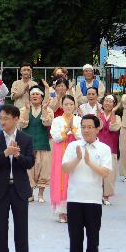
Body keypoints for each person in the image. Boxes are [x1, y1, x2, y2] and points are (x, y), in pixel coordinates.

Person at [61, 114, 113, 252]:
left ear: (98, 128)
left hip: (93, 200)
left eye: (90, 127)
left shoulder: (104, 149)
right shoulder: (73, 145)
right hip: (75, 199)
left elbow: (105, 173)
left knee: (93, 237)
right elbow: (65, 169)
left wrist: (89, 162)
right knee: (75, 237)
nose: (86, 130)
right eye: (83, 127)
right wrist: (78, 158)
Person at [0, 104, 36, 252]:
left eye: (6, 118)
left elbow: (30, 162)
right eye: (0, 118)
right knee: (0, 229)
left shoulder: (26, 138)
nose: (2, 121)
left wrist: (17, 156)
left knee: (21, 229)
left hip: (19, 189)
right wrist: (5, 153)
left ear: (16, 119)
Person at [50, 95, 81, 223]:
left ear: (74, 106)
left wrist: (73, 130)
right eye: (66, 104)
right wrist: (66, 131)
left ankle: (73, 210)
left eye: (71, 104)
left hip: (75, 151)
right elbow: (55, 136)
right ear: (62, 106)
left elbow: (81, 135)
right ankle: (62, 211)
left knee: (74, 178)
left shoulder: (79, 119)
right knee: (61, 179)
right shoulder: (57, 120)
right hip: (60, 152)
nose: (68, 107)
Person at [19, 87, 53, 203]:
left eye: (37, 94)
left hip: (43, 143)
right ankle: (30, 193)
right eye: (32, 94)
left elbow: (47, 123)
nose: (35, 96)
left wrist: (44, 109)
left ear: (42, 97)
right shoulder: (23, 109)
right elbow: (22, 125)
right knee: (29, 170)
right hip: (28, 145)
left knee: (43, 169)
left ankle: (41, 194)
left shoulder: (48, 109)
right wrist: (28, 110)